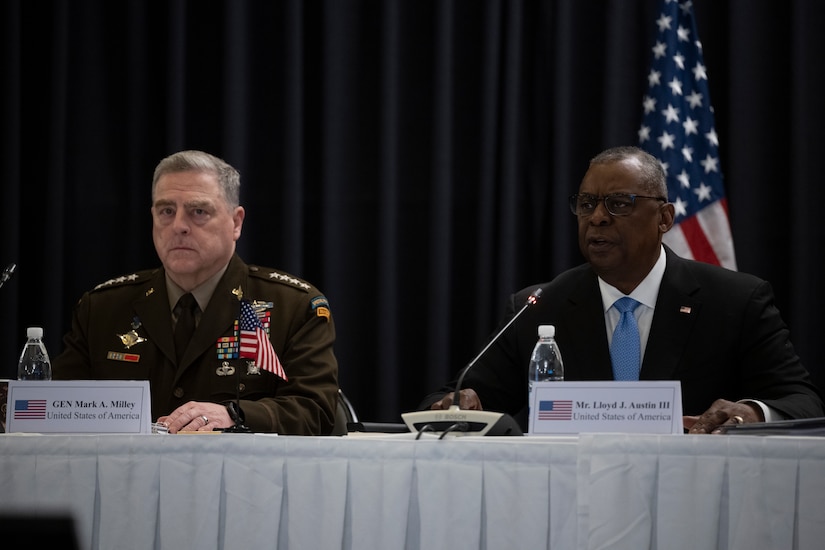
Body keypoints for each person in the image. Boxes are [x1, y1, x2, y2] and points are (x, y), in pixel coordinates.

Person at [419, 145, 824, 434]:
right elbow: (450, 400)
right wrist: (461, 405)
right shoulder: (541, 306)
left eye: (619, 204)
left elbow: (802, 401)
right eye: (586, 203)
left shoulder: (734, 301)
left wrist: (752, 412)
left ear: (664, 218)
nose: (596, 218)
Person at [52, 150, 339, 434]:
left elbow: (316, 410)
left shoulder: (294, 308)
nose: (178, 226)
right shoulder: (103, 309)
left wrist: (235, 415)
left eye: (198, 211)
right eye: (166, 211)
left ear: (236, 222)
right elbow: (54, 410)